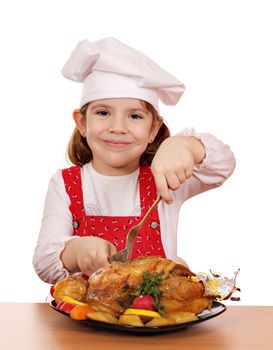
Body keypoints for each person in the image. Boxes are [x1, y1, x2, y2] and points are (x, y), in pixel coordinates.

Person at [33, 38, 236, 285]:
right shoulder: (64, 184)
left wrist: (186, 146)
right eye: (103, 112)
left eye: (135, 116)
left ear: (153, 129)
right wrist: (75, 252)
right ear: (82, 122)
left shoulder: (166, 179)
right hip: (85, 318)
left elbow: (223, 165)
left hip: (156, 318)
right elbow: (44, 263)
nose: (118, 127)